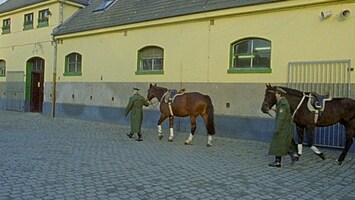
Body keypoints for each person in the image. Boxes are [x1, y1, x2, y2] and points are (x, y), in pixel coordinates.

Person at [268, 87, 299, 167]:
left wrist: (277, 129)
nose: (275, 95)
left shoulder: (283, 103)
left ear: (280, 94)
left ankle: (280, 161)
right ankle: (292, 155)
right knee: (282, 143)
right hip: (284, 127)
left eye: (276, 94)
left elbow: (281, 118)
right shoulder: (281, 102)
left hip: (282, 127)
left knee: (278, 143)